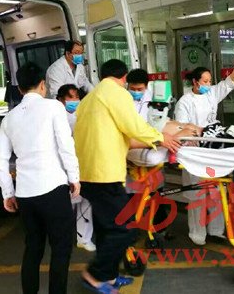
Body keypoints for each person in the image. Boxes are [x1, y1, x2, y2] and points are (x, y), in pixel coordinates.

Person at [73, 59, 180, 294]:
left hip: (86, 173)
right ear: (123, 78)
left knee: (106, 227)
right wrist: (161, 138)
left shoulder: (89, 99)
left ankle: (109, 276)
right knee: (126, 228)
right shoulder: (116, 93)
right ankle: (95, 275)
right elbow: (134, 126)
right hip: (105, 173)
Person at [0, 62, 80, 294]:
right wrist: (74, 177)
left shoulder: (9, 118)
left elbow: (0, 160)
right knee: (61, 249)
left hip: (25, 195)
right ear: (43, 85)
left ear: (20, 89)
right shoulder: (54, 107)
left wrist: (8, 193)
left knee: (33, 248)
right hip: (53, 190)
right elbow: (65, 145)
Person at [174, 58, 234, 246]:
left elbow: (228, 83)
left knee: (216, 190)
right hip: (195, 149)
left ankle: (216, 230)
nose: (208, 84)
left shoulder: (211, 94)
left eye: (210, 81)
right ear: (195, 82)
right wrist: (197, 135)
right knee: (197, 192)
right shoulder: (185, 102)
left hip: (213, 147)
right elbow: (182, 127)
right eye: (205, 81)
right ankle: (197, 233)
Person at [56, 84, 95, 253]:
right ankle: (62, 239)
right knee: (66, 205)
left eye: (77, 97)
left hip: (82, 163)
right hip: (63, 166)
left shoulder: (82, 114)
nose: (75, 101)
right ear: (60, 100)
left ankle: (83, 238)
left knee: (85, 201)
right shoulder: (56, 117)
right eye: (70, 98)